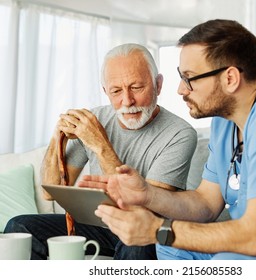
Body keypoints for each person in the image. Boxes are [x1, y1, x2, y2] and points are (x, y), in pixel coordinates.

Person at [79, 19, 256, 260]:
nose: (180, 89)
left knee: (225, 258)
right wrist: (147, 195)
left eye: (189, 77)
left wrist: (157, 228)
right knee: (169, 248)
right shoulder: (225, 122)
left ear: (230, 78)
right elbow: (206, 204)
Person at [4, 43, 197, 260]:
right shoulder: (94, 119)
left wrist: (100, 144)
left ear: (158, 85)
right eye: (116, 91)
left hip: (142, 226)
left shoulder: (180, 133)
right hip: (98, 225)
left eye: (136, 87)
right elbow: (51, 191)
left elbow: (142, 208)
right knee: (19, 226)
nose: (127, 101)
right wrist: (56, 136)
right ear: (106, 91)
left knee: (137, 242)